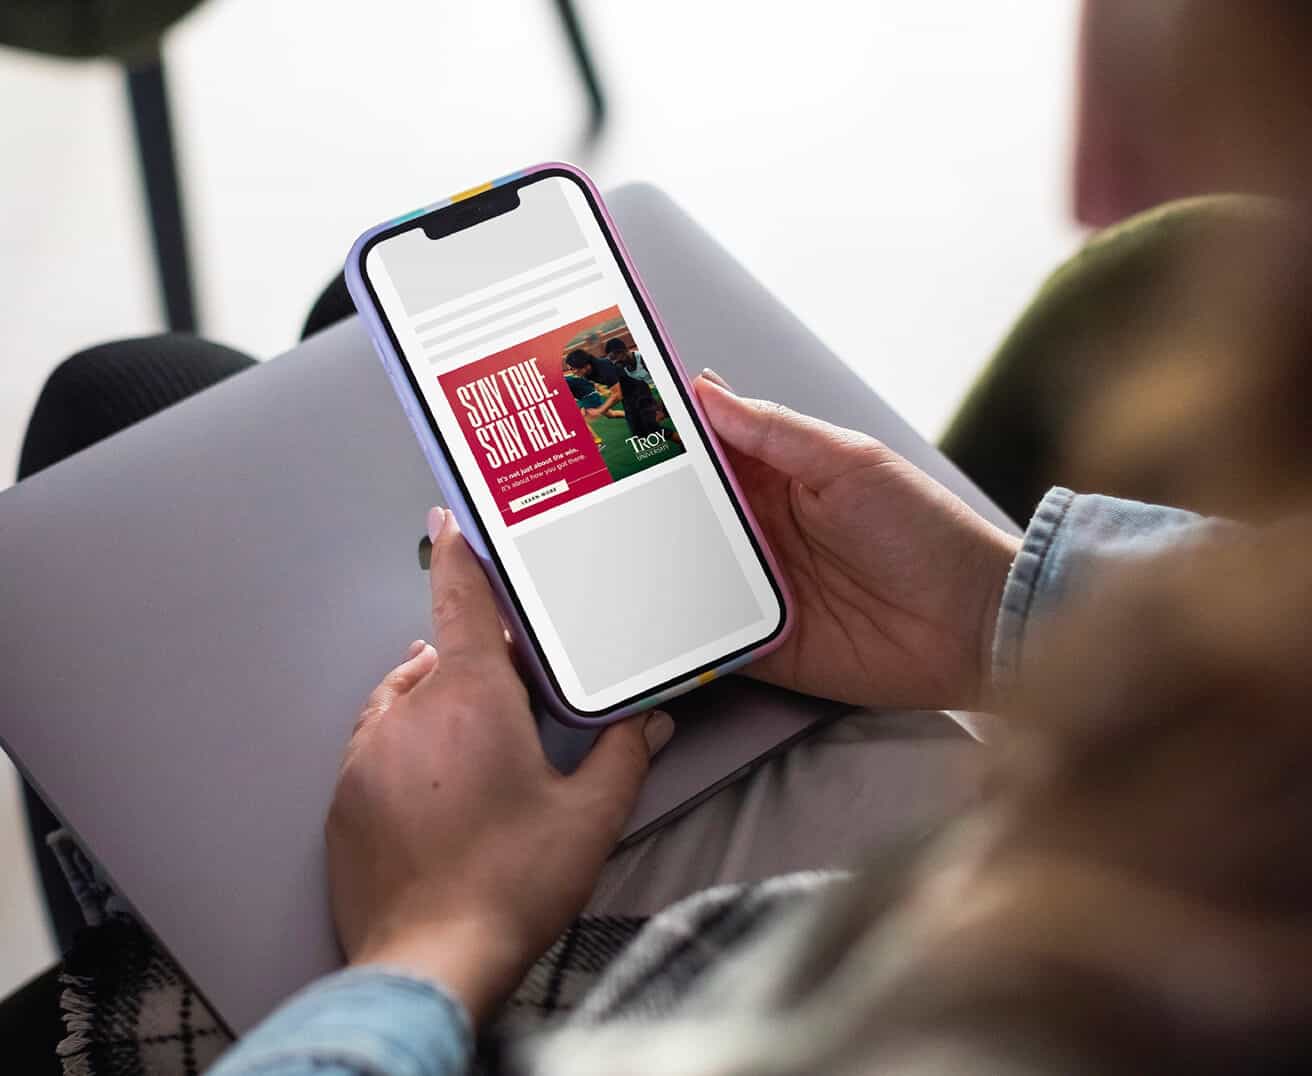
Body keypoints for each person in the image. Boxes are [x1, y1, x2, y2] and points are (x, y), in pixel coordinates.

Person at [15, 3, 1312, 1072]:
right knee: (333, 384)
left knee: (122, 402)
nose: (1093, 187)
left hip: (731, 968)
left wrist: (433, 941)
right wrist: (993, 611)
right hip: (958, 830)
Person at [563, 347, 664, 437]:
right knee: (640, 432)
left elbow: (617, 395)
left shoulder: (603, 367)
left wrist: (599, 410)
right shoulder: (587, 373)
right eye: (570, 369)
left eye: (572, 368)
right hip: (627, 395)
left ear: (582, 364)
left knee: (650, 426)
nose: (572, 372)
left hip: (638, 391)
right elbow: (601, 385)